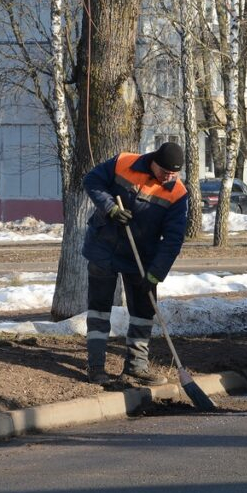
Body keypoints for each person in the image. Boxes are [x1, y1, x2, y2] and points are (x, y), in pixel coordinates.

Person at [82, 141, 189, 386]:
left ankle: (136, 367)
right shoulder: (124, 162)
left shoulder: (178, 193)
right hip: (104, 247)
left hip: (141, 256)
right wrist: (109, 208)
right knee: (99, 308)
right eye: (165, 172)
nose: (168, 178)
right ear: (154, 162)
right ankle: (96, 367)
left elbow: (173, 239)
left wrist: (155, 273)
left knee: (143, 311)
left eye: (174, 174)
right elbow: (92, 181)